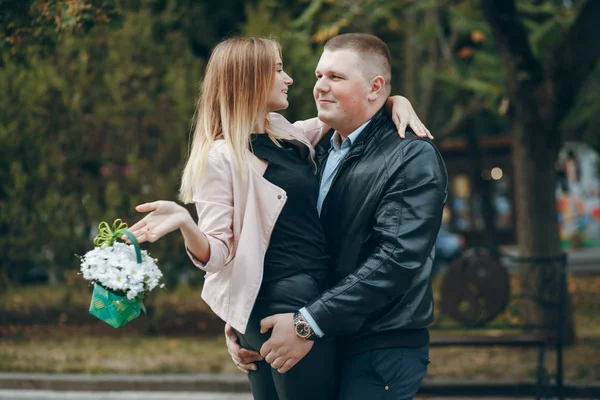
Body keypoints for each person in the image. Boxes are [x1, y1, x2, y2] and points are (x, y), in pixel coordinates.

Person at [128, 36, 430, 400]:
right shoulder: (222, 156)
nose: (291, 79)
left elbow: (354, 114)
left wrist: (396, 101)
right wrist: (185, 223)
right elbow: (220, 252)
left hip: (306, 303)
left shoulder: (290, 134)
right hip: (284, 301)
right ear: (250, 78)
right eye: (277, 70)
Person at [227, 33, 448, 400]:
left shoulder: (411, 157)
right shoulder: (314, 149)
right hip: (321, 336)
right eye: (318, 76)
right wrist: (240, 320)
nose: (320, 88)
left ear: (375, 87)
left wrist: (306, 323)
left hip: (378, 348)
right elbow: (275, 239)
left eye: (336, 78)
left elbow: (396, 259)